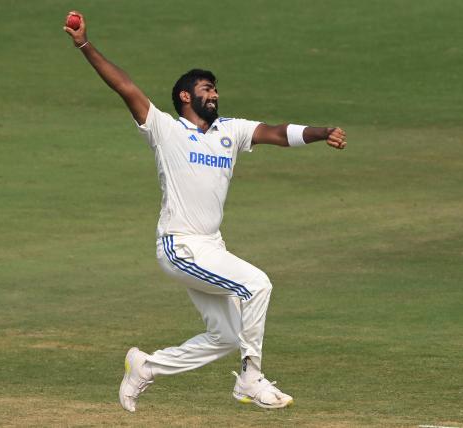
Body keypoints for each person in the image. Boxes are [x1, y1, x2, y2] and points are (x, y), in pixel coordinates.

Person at [63, 11, 346, 412]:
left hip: (211, 246)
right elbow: (125, 87)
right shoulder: (165, 130)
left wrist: (320, 133)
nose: (214, 95)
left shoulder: (230, 131)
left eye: (215, 90)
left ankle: (145, 366)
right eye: (207, 89)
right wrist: (84, 45)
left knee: (227, 336)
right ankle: (250, 379)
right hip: (181, 246)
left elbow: (276, 133)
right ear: (185, 96)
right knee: (257, 285)